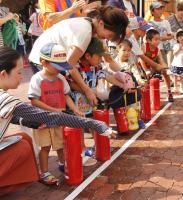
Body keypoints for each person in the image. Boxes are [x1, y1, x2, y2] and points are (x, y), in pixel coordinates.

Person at [0, 47, 115, 194]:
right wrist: (96, 124)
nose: (21, 77)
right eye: (19, 72)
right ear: (3, 74)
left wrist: (26, 121)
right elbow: (53, 117)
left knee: (24, 139)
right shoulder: (5, 98)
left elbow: (10, 116)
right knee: (22, 147)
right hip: (53, 116)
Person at [29, 6, 129, 107]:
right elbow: (69, 66)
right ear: (101, 23)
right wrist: (87, 90)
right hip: (44, 59)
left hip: (54, 59)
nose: (108, 39)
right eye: (110, 35)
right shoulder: (85, 32)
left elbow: (108, 59)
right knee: (52, 103)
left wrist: (126, 75)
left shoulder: (92, 26)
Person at [28, 43, 85, 185]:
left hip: (59, 119)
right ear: (43, 62)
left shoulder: (61, 78)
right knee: (45, 147)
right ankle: (45, 172)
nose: (59, 70)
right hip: (42, 120)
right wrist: (53, 110)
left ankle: (62, 163)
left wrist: (75, 109)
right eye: (56, 66)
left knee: (61, 144)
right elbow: (34, 101)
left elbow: (66, 96)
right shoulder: (37, 79)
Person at [128, 17, 174, 102]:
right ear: (135, 29)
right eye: (143, 29)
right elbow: (142, 58)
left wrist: (165, 68)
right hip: (136, 68)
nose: (145, 31)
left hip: (139, 68)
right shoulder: (136, 41)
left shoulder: (138, 40)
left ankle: (168, 91)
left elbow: (161, 61)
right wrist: (150, 69)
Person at [141, 29, 174, 101]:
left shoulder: (157, 50)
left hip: (152, 67)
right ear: (149, 40)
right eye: (156, 39)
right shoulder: (144, 47)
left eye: (159, 39)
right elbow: (141, 60)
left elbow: (161, 61)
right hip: (141, 68)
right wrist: (146, 70)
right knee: (145, 85)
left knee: (165, 72)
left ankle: (169, 91)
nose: (158, 41)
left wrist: (167, 68)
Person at [148, 1, 173, 69]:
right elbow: (149, 38)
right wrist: (162, 38)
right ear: (152, 12)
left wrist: (166, 38)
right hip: (155, 49)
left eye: (161, 9)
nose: (160, 11)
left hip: (165, 48)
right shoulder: (150, 24)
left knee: (165, 68)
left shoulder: (166, 22)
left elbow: (170, 35)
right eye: (157, 9)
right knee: (154, 69)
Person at [171, 29, 183, 94]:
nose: (182, 38)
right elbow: (174, 53)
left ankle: (181, 88)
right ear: (177, 38)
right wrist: (179, 49)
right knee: (175, 76)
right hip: (176, 64)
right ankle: (175, 87)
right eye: (180, 37)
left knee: (181, 77)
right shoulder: (176, 45)